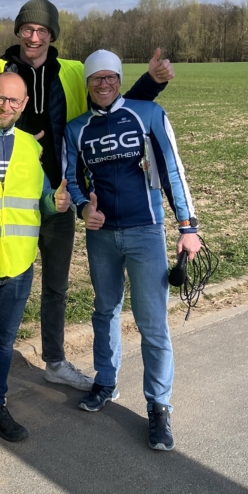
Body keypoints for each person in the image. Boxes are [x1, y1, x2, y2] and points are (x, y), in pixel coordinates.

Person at [0, 0, 175, 390]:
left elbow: (111, 97)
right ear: (18, 32)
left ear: (52, 35)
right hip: (10, 198)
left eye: (42, 30)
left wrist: (153, 81)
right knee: (8, 284)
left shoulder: (74, 71)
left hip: (62, 197)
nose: (34, 36)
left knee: (56, 287)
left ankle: (55, 360)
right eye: (27, 29)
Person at [64, 50, 201, 451]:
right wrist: (83, 207)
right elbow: (70, 179)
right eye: (96, 79)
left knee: (152, 323)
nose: (104, 84)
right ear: (87, 84)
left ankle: (159, 407)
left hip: (146, 231)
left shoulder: (148, 114)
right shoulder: (77, 129)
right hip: (102, 235)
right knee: (104, 310)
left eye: (111, 78)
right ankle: (105, 381)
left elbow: (173, 169)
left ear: (120, 79)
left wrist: (188, 227)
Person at [0, 72, 71, 459]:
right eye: (0, 99)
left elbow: (42, 198)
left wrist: (58, 203)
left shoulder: (27, 146)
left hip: (19, 262)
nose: (7, 107)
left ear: (23, 106)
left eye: (15, 102)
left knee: (4, 344)